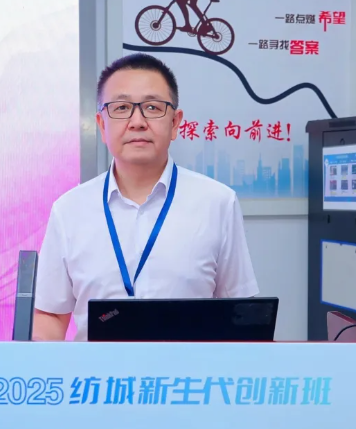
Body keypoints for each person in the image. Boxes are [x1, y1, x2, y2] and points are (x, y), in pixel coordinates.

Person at [32, 53, 259, 341]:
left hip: (187, 370)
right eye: (122, 108)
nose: (137, 121)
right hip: (98, 370)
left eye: (152, 107)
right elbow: (51, 314)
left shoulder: (217, 202)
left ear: (175, 123)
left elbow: (239, 310)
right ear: (101, 125)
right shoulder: (69, 210)